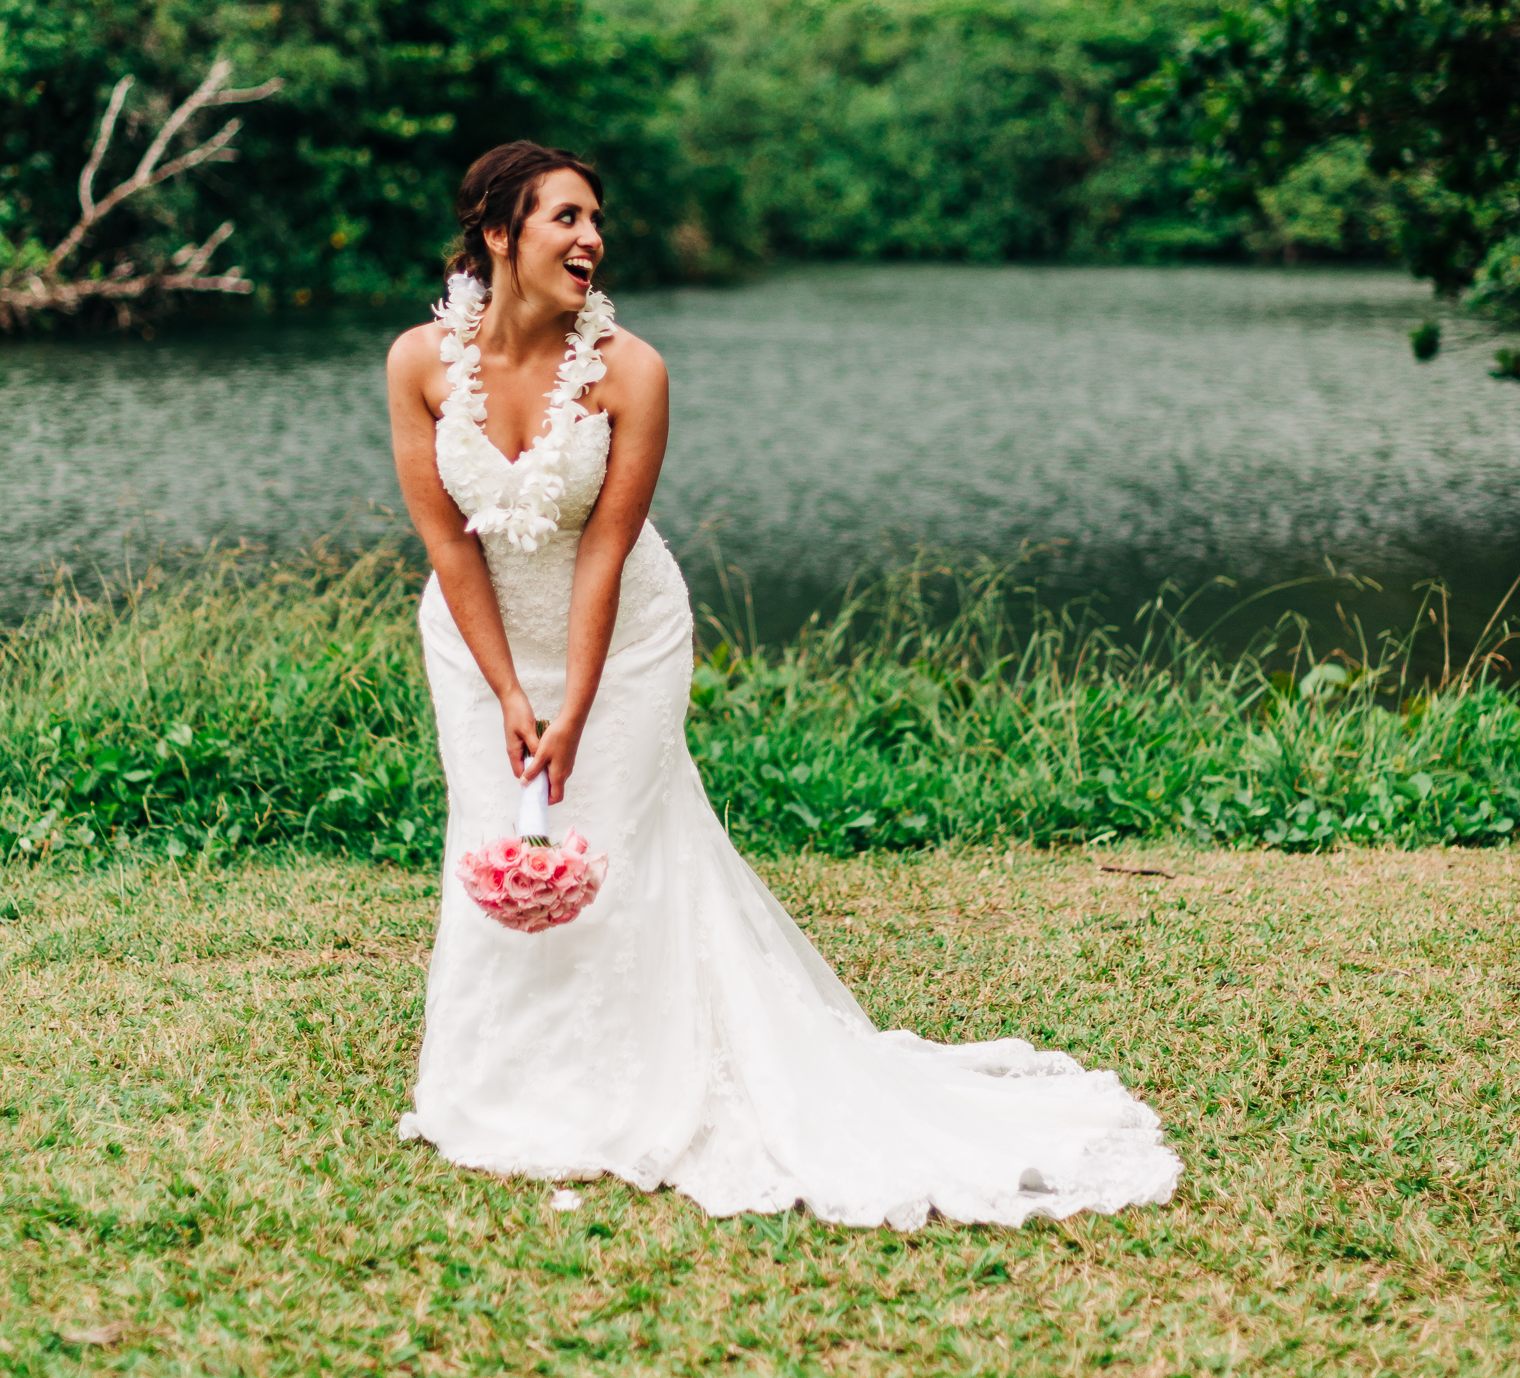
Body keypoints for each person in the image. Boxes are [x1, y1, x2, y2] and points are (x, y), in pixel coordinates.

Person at [385, 139, 1180, 1228]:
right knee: (496, 834)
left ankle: (625, 1090)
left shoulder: (633, 372)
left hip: (621, 640)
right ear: (496, 231)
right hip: (475, 639)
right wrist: (511, 692)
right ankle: (494, 1090)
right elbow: (447, 543)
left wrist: (572, 697)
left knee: (608, 844)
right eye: (565, 216)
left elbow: (607, 550)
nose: (592, 238)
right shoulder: (419, 362)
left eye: (596, 218)